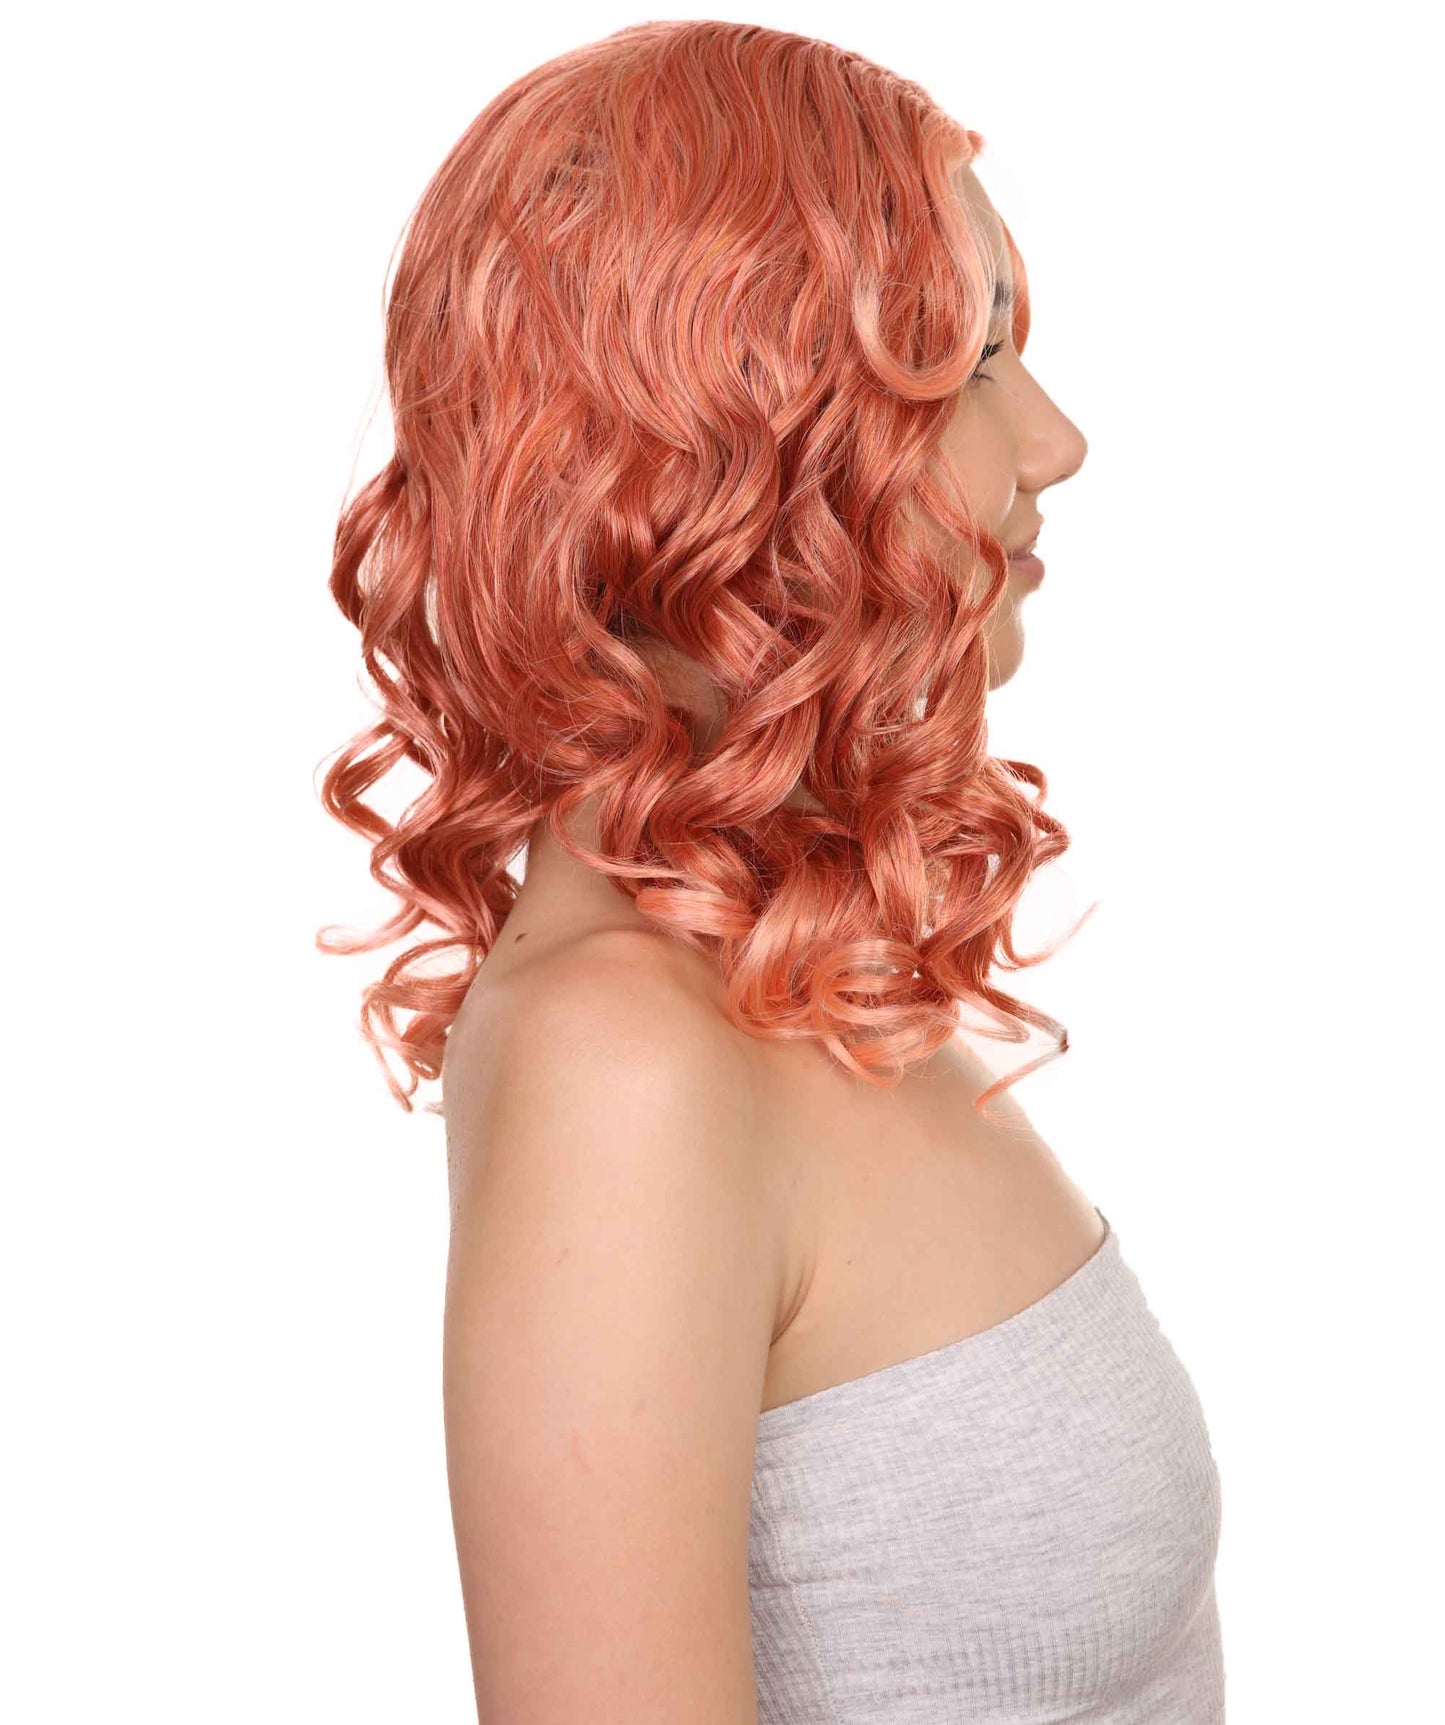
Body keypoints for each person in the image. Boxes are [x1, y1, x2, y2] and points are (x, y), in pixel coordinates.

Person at [320, 20, 1224, 1722]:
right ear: (729, 427)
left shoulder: (772, 972)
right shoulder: (618, 1056)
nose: (1053, 443)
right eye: (967, 363)